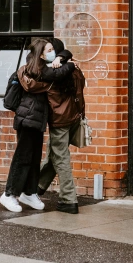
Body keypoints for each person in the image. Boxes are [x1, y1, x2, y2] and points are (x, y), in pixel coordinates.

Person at [0, 39, 75, 213]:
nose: (52, 52)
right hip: (28, 119)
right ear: (41, 54)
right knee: (23, 157)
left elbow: (65, 52)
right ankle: (9, 194)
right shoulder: (35, 70)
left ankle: (29, 192)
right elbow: (56, 75)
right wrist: (69, 65)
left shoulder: (40, 65)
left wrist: (62, 57)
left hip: (37, 120)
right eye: (49, 50)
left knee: (33, 158)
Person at [37, 37, 84, 215]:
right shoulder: (75, 69)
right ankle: (37, 186)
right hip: (74, 117)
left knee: (61, 157)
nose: (47, 54)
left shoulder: (55, 73)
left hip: (59, 120)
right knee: (54, 154)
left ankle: (68, 199)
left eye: (50, 50)